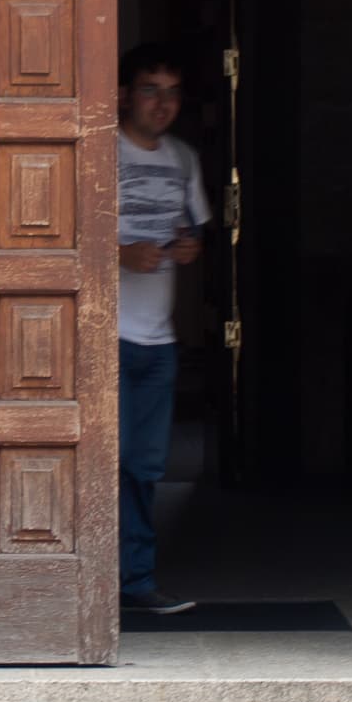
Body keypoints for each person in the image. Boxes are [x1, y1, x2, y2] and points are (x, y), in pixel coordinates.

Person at [115, 42, 212, 615]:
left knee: (147, 466)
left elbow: (189, 229)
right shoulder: (99, 150)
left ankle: (137, 582)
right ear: (125, 94)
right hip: (107, 335)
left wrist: (188, 247)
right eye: (150, 89)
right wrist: (121, 254)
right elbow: (54, 236)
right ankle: (88, 582)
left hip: (159, 340)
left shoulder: (182, 159)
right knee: (110, 458)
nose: (162, 102)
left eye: (172, 92)